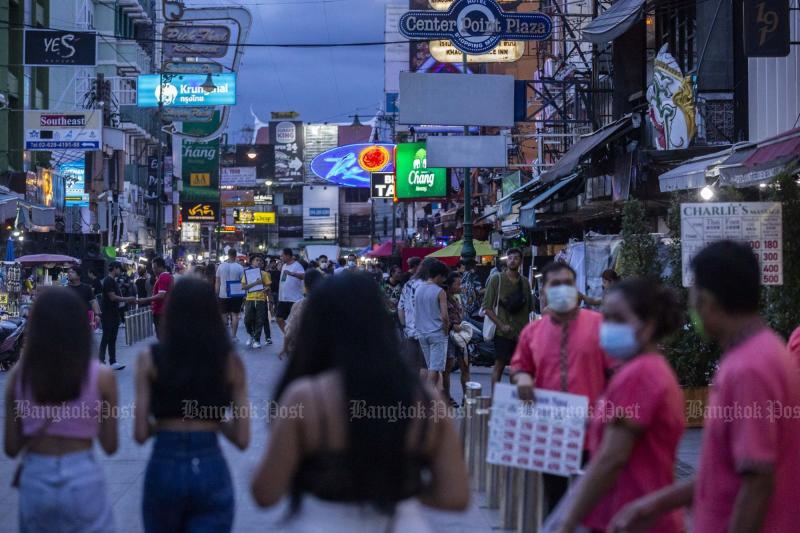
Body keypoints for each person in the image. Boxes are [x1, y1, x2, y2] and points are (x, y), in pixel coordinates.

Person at [250, 273, 469, 530]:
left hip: (321, 522)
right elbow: (455, 495)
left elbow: (266, 493)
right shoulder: (424, 398)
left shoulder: (306, 398)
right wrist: (396, 492)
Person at [611, 241, 800, 533]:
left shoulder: (748, 369)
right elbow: (725, 471)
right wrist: (657, 503)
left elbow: (757, 483)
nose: (691, 306)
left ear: (707, 301)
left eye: (693, 295)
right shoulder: (763, 351)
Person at [554, 278, 685, 533]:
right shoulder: (645, 368)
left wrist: (566, 521)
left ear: (647, 327)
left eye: (617, 319)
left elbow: (611, 459)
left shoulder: (639, 374)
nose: (607, 326)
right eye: (606, 317)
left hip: (630, 518)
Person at [134, 278, 249, 532]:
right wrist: (211, 419)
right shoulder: (231, 363)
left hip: (164, 462)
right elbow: (242, 438)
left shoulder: (148, 359)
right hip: (210, 463)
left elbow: (140, 433)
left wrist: (166, 421)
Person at [5, 288, 119, 532]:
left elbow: (12, 447)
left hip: (36, 476)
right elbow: (110, 445)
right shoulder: (102, 377)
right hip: (83, 474)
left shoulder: (19, 376)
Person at [510, 261, 611, 513]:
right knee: (554, 506)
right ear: (543, 290)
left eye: (568, 284)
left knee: (593, 509)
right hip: (550, 433)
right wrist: (523, 378)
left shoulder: (600, 325)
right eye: (556, 285)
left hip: (592, 433)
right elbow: (519, 366)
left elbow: (617, 370)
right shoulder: (532, 332)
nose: (563, 289)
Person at [483, 248, 533, 385]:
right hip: (502, 333)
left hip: (520, 333)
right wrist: (501, 325)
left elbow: (529, 308)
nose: (512, 260)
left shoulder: (525, 282)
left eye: (516, 258)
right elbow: (487, 308)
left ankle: (512, 401)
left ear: (521, 262)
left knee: (516, 369)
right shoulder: (496, 279)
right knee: (499, 366)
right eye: (510, 258)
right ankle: (494, 401)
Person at [414, 260, 450, 388]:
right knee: (435, 368)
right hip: (436, 333)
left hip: (421, 333)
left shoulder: (418, 289)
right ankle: (427, 397)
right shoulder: (440, 291)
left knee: (430, 366)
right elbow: (445, 316)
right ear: (439, 275)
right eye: (444, 277)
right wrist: (446, 330)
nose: (444, 280)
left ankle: (428, 395)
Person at [99, 261, 136, 370]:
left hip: (114, 313)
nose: (120, 271)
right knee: (106, 337)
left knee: (112, 338)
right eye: (119, 269)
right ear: (115, 268)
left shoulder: (112, 281)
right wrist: (128, 299)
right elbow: (112, 297)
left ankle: (113, 361)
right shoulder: (108, 280)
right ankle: (101, 361)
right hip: (108, 314)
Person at [281, 269, 325, 359]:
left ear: (305, 286)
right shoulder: (332, 302)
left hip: (304, 351)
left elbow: (291, 330)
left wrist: (285, 348)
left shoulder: (301, 304)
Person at [442, 271, 471, 407]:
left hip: (460, 337)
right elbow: (442, 318)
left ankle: (467, 398)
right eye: (457, 284)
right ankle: (447, 397)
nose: (460, 286)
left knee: (465, 367)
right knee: (447, 369)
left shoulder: (457, 297)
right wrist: (453, 325)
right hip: (448, 336)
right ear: (449, 285)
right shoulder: (442, 298)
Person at [398, 257, 427, 373]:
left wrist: (404, 326)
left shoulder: (407, 285)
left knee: (412, 365)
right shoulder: (427, 286)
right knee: (425, 367)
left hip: (410, 331)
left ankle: (413, 389)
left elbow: (400, 308)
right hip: (425, 331)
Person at [241, 254, 272, 349]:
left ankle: (257, 340)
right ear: (252, 262)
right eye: (256, 260)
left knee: (260, 320)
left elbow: (268, 287)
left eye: (260, 261)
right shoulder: (246, 273)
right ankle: (251, 335)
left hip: (261, 299)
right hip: (249, 299)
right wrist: (255, 283)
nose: (258, 262)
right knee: (247, 320)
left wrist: (266, 289)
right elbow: (243, 287)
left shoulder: (264, 274)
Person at [137, 257, 173, 339]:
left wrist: (144, 300)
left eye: (155, 268)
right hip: (162, 311)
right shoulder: (166, 276)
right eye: (153, 268)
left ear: (161, 267)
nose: (154, 270)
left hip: (161, 312)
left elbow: (161, 295)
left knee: (162, 338)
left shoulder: (163, 277)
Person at [216, 248, 246, 341]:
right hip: (236, 294)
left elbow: (217, 282)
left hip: (223, 294)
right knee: (235, 315)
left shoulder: (221, 266)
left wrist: (216, 294)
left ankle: (224, 336)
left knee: (224, 315)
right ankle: (233, 336)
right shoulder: (239, 267)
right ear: (235, 255)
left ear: (228, 255)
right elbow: (243, 282)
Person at [276, 248, 305, 334]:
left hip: (294, 299)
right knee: (279, 319)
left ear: (288, 256)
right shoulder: (284, 265)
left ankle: (298, 338)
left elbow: (303, 276)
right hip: (283, 298)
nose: (281, 257)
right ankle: (289, 335)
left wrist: (292, 274)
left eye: (282, 255)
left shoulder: (297, 265)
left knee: (295, 322)